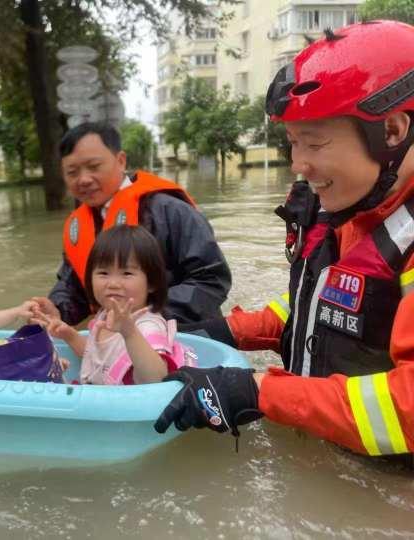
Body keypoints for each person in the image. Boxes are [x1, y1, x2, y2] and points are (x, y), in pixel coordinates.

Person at [155, 21, 414, 458]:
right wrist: (223, 331)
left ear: (392, 131)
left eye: (313, 143)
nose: (299, 165)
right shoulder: (341, 211)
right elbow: (312, 304)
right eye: (292, 143)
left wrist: (258, 392)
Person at [32, 122, 231, 327]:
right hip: (119, 336)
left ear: (121, 161)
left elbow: (211, 280)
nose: (83, 180)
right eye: (72, 172)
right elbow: (74, 287)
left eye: (93, 167)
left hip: (183, 334)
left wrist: (146, 315)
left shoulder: (170, 210)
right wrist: (57, 308)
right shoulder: (77, 227)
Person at [35, 225, 196, 385]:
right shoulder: (104, 315)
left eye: (126, 273)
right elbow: (97, 358)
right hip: (98, 400)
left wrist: (130, 333)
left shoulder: (147, 325)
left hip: (128, 407)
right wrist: (70, 335)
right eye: (103, 273)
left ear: (152, 282)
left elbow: (156, 378)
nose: (112, 283)